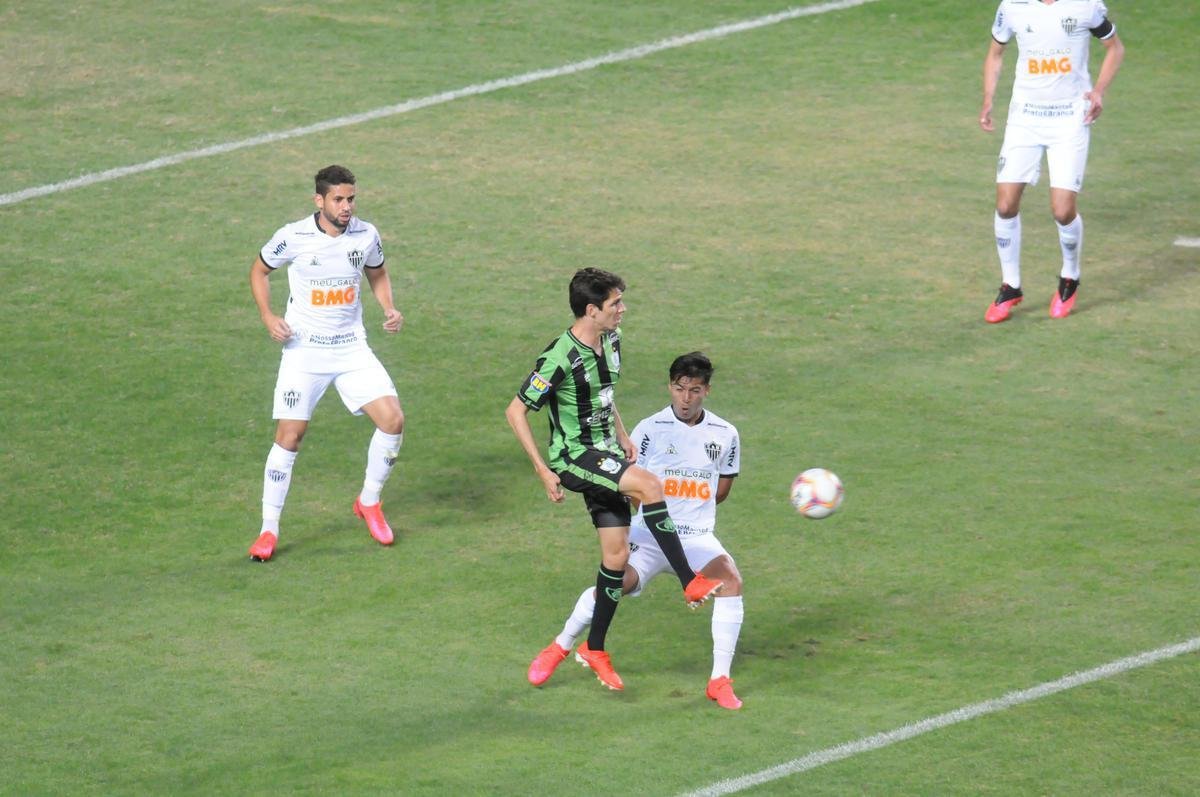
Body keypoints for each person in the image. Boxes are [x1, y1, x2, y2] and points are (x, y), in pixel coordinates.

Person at [505, 269, 724, 691]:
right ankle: (689, 581)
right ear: (592, 310)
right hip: (575, 457)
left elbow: (604, 395)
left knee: (617, 558)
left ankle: (592, 647)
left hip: (605, 453)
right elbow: (516, 411)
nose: (622, 310)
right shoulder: (558, 358)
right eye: (615, 304)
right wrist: (543, 469)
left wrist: (621, 432)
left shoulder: (612, 341)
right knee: (651, 486)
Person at [526, 352, 747, 709]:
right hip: (649, 535)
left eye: (694, 390)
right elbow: (627, 483)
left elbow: (722, 489)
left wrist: (692, 508)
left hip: (696, 537)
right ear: (669, 387)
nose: (686, 398)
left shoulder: (725, 434)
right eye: (679, 389)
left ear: (706, 390)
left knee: (731, 581)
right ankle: (560, 646)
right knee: (615, 583)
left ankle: (719, 681)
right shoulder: (648, 430)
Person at [246, 165, 406, 562]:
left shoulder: (366, 234)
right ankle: (269, 529)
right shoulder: (293, 236)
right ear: (319, 201)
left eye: (351, 198)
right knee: (289, 437)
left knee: (393, 420)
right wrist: (267, 316)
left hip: (351, 348)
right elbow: (259, 270)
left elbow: (378, 272)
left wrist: (388, 307)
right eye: (338, 199)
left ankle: (369, 502)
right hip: (304, 352)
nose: (347, 206)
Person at [979, 0, 1124, 323]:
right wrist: (988, 98)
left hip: (1070, 119)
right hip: (1025, 119)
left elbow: (1114, 48)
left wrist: (1098, 91)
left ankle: (1069, 277)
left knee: (1062, 210)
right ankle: (1010, 285)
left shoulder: (1085, 6)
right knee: (1005, 205)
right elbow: (995, 53)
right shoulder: (1013, 6)